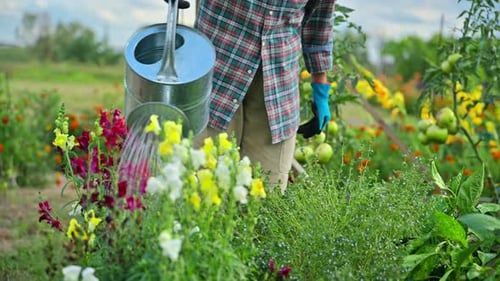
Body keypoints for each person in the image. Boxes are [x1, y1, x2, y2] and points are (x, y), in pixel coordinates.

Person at [192, 0, 336, 193]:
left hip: (277, 89)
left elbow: (319, 20)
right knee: (203, 191)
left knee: (265, 197)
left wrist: (320, 88)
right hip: (217, 77)